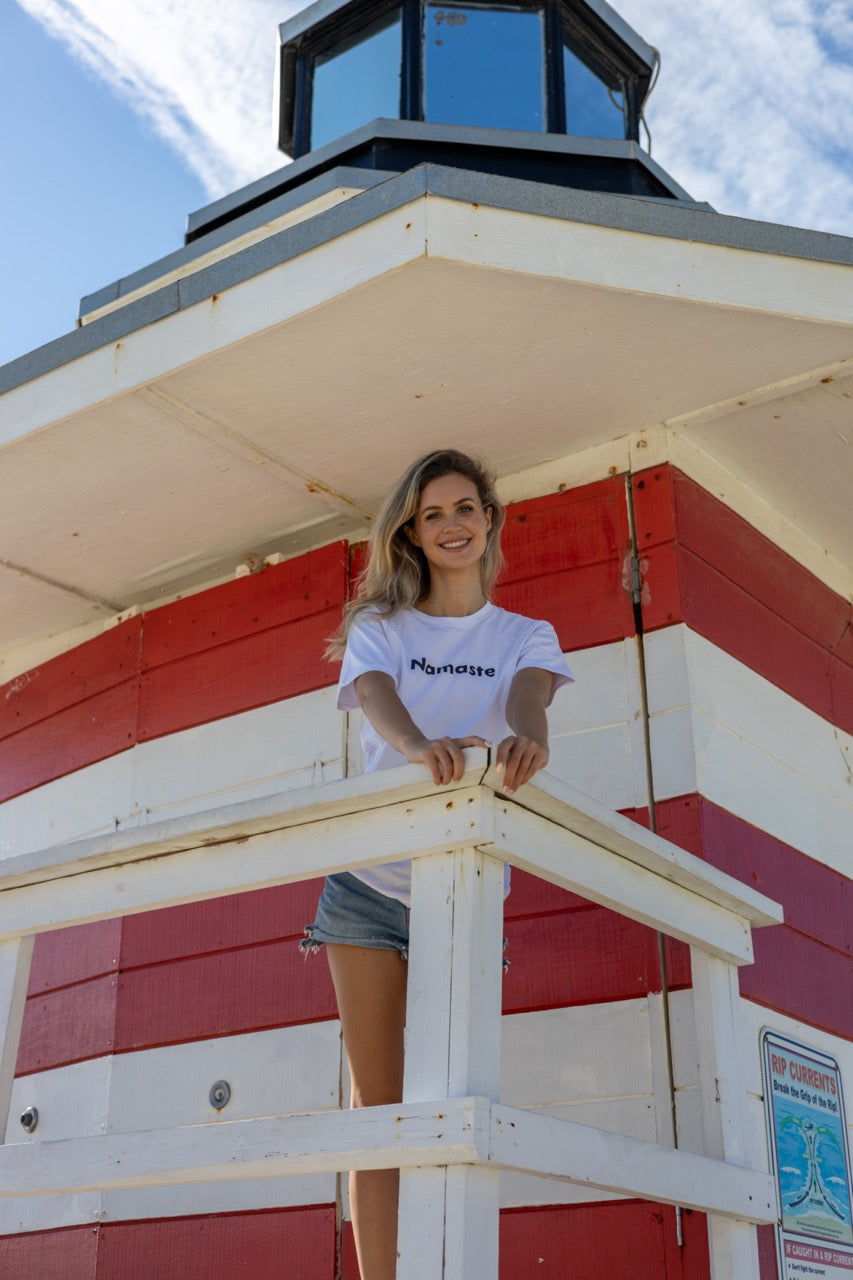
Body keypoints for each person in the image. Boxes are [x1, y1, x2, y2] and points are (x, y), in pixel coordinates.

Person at [302, 449, 573, 1280]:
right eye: (432, 515)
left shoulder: (526, 635)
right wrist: (419, 746)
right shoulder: (381, 632)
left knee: (453, 1105)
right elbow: (379, 702)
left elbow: (527, 697)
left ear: (488, 519)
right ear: (412, 536)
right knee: (374, 1108)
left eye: (464, 508)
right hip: (368, 888)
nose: (451, 525)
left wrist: (530, 737)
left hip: (463, 895)